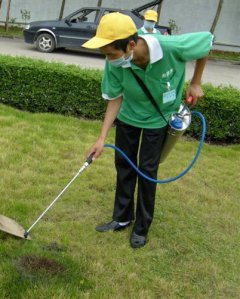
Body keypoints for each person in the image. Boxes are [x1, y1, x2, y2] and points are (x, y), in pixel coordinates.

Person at [82, 12, 212, 248]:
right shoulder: (115, 61)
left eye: (111, 54)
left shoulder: (171, 47)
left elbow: (206, 42)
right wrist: (101, 138)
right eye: (105, 54)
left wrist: (196, 81)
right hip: (129, 116)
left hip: (158, 119)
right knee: (124, 164)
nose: (108, 59)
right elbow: (114, 97)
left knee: (146, 170)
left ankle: (141, 228)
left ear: (131, 45)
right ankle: (121, 218)